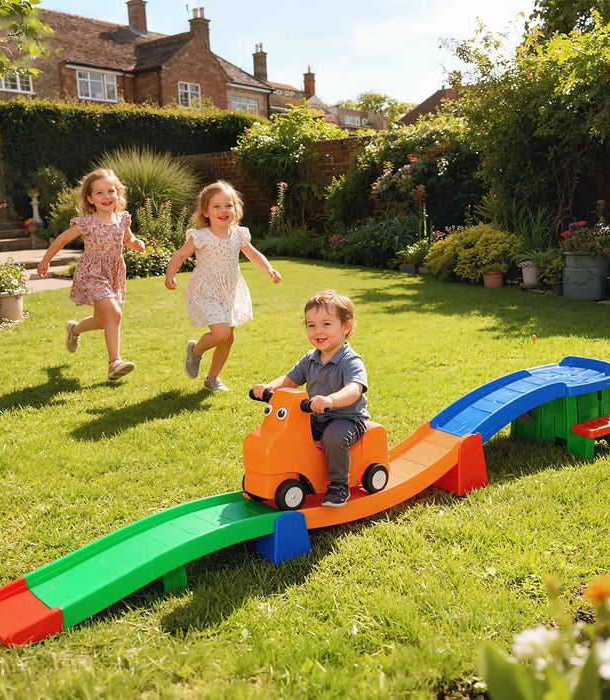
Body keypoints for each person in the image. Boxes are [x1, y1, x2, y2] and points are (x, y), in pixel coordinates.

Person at [252, 290, 369, 507]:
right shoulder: (310, 358)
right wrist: (269, 387)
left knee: (334, 436)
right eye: (311, 325)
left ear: (346, 327)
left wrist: (331, 400)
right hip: (316, 416)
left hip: (347, 419)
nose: (318, 331)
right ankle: (285, 473)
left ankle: (339, 484)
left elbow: (354, 389)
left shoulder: (351, 361)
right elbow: (289, 380)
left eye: (326, 324)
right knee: (289, 432)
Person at [165, 180, 281, 392]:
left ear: (235, 209)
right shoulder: (201, 236)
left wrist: (269, 269)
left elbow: (253, 255)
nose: (223, 210)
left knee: (228, 338)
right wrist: (170, 274)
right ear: (206, 212)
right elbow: (181, 254)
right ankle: (195, 350)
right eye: (216, 206)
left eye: (228, 205)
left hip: (230, 290)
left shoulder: (238, 234)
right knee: (220, 334)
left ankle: (212, 379)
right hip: (206, 291)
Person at [36, 168, 145, 381]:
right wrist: (45, 260)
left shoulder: (123, 219)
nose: (106, 197)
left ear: (118, 194)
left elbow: (128, 239)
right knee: (115, 314)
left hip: (113, 273)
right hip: (92, 273)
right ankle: (115, 362)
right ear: (90, 198)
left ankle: (74, 330)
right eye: (99, 193)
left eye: (111, 191)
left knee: (102, 321)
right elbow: (61, 240)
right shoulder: (86, 223)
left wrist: (136, 244)